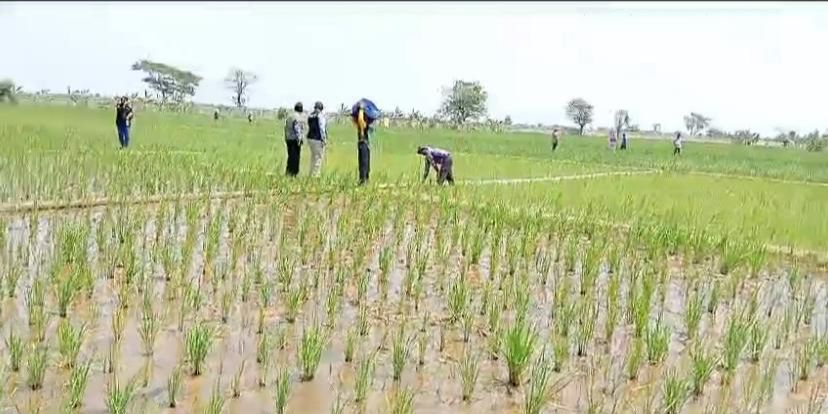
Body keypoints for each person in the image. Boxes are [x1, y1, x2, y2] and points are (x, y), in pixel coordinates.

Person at [352, 99, 379, 185]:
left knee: (366, 164)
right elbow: (360, 120)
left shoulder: (365, 126)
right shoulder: (362, 126)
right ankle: (363, 180)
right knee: (364, 164)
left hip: (364, 145)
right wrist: (361, 109)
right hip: (363, 144)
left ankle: (365, 180)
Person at [306, 101, 328, 177]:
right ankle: (315, 176)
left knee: (313, 157)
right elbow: (322, 129)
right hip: (317, 139)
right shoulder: (320, 117)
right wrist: (324, 140)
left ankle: (310, 173)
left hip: (310, 138)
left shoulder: (310, 116)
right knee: (318, 158)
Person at [284, 102, 304, 177]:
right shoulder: (297, 117)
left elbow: (285, 127)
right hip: (294, 140)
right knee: (295, 158)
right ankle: (293, 173)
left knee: (290, 156)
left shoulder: (289, 116)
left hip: (288, 139)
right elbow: (297, 129)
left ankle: (288, 172)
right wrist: (300, 139)